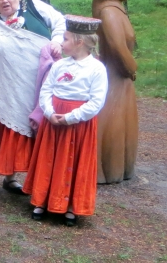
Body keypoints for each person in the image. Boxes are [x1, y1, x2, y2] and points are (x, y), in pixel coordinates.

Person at [0, 0, 66, 196]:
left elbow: (60, 21)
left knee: (19, 126)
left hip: (29, 84)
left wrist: (57, 41)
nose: (5, 1)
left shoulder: (34, 7)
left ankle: (10, 178)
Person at [23, 15, 108, 226]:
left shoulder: (96, 69)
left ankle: (70, 206)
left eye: (66, 39)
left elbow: (96, 102)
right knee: (50, 158)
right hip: (53, 120)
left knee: (73, 160)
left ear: (79, 42)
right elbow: (46, 90)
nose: (61, 43)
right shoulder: (59, 65)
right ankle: (42, 200)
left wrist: (70, 117)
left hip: (78, 124)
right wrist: (50, 112)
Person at [91, 0, 138, 184]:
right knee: (113, 118)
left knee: (123, 118)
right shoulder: (109, 12)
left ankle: (121, 166)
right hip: (114, 76)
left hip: (122, 78)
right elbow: (117, 46)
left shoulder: (117, 9)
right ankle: (108, 167)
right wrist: (131, 68)